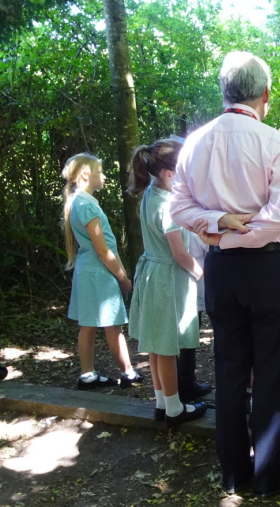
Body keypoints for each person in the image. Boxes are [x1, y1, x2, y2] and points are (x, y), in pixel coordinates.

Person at [170, 51, 280, 497]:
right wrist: (226, 226)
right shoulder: (275, 142)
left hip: (222, 269)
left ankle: (234, 473)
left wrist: (217, 228)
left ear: (224, 91)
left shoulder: (195, 142)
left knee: (230, 369)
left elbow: (180, 208)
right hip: (269, 267)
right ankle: (267, 477)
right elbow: (278, 217)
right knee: (271, 371)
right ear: (266, 94)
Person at [127, 140, 208, 425]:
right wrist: (202, 274)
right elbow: (180, 254)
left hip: (153, 274)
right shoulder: (169, 206)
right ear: (169, 173)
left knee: (156, 344)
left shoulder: (151, 193)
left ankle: (163, 401)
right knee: (168, 347)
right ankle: (174, 409)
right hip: (167, 281)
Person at [62, 153, 141, 390]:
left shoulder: (79, 202)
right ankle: (127, 372)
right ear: (86, 174)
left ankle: (88, 375)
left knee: (88, 324)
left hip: (87, 272)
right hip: (99, 273)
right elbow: (103, 250)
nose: (104, 176)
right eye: (100, 171)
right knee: (113, 325)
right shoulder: (86, 205)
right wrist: (123, 278)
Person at [178, 232, 214, 403]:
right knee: (188, 340)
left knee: (186, 339)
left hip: (185, 287)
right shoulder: (200, 227)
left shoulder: (179, 224)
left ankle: (184, 383)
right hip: (201, 288)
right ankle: (186, 384)